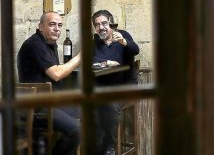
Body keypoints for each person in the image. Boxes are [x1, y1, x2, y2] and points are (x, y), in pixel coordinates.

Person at [17, 11, 82, 155]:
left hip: (51, 102)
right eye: (52, 24)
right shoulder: (35, 44)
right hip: (36, 107)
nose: (57, 29)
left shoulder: (50, 44)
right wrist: (81, 56)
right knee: (76, 129)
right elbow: (57, 74)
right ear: (41, 27)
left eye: (59, 25)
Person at [91, 9, 139, 155]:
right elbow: (92, 59)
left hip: (125, 86)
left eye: (104, 23)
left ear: (111, 23)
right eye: (97, 25)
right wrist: (106, 61)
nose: (101, 27)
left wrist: (124, 42)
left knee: (110, 104)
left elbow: (135, 50)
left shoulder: (123, 36)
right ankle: (98, 147)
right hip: (104, 86)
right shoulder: (96, 41)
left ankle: (109, 147)